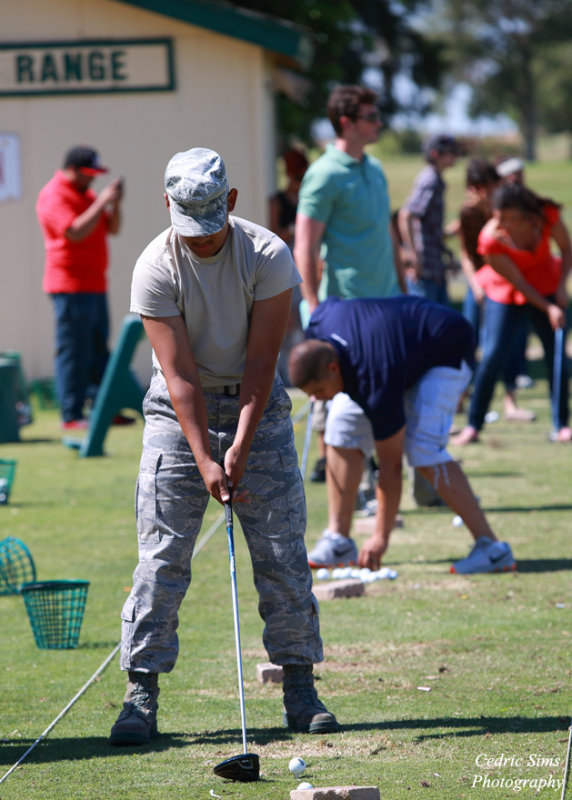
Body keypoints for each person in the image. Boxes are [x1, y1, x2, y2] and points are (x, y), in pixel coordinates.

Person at [109, 147, 339, 747]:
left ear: (231, 203)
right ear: (167, 206)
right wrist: (205, 456)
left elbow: (263, 359)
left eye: (211, 226)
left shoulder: (267, 255)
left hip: (257, 407)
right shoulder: (153, 267)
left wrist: (237, 442)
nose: (202, 241)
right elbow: (179, 375)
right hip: (175, 411)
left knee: (283, 551)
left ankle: (300, 687)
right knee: (161, 557)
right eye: (190, 227)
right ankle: (141, 693)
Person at [288, 296, 516, 575]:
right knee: (340, 426)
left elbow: (390, 466)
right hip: (399, 349)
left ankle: (493, 550)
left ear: (333, 369)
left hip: (446, 346)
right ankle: (339, 541)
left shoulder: (376, 379)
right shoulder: (319, 325)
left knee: (422, 448)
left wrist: (380, 538)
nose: (315, 400)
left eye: (317, 391)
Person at [293, 84, 405, 563]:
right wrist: (313, 308)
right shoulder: (322, 174)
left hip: (389, 311)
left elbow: (387, 237)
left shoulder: (375, 168)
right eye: (368, 115)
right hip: (344, 318)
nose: (377, 121)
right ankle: (340, 528)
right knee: (336, 419)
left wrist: (405, 294)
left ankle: (379, 504)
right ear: (345, 122)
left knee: (387, 413)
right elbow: (304, 245)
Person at [453, 182, 571, 445]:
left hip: (547, 283)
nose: (506, 224)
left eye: (513, 218)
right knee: (493, 354)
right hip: (506, 291)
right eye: (499, 217)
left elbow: (566, 249)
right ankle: (473, 425)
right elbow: (519, 283)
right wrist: (549, 307)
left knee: (556, 353)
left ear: (528, 214)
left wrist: (561, 288)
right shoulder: (489, 239)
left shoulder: (546, 216)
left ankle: (561, 424)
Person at [36, 146, 131, 430]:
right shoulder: (54, 194)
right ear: (72, 169)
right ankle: (71, 415)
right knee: (73, 352)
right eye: (88, 174)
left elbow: (112, 229)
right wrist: (102, 201)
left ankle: (103, 409)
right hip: (69, 286)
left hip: (94, 284)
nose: (93, 181)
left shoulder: (86, 196)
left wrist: (115, 205)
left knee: (98, 350)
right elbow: (75, 232)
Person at [459, 158, 534, 423]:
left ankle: (510, 401)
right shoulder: (467, 213)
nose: (483, 193)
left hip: (505, 282)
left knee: (510, 343)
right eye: (478, 187)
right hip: (479, 281)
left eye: (488, 186)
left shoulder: (506, 210)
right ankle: (462, 400)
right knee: (469, 339)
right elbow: (466, 254)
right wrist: (475, 283)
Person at [399, 133, 461, 305]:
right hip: (424, 269)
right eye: (451, 152)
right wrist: (414, 255)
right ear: (435, 154)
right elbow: (406, 215)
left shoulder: (437, 180)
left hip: (434, 266)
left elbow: (430, 227)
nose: (455, 155)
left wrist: (447, 254)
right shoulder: (430, 180)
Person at [269, 147, 310, 386]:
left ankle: (301, 372)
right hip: (286, 265)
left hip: (306, 265)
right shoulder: (278, 201)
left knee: (304, 323)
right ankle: (282, 375)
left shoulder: (308, 200)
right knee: (286, 322)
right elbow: (272, 233)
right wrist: (292, 231)